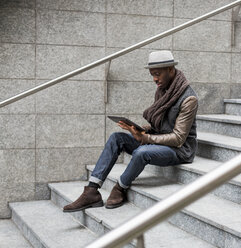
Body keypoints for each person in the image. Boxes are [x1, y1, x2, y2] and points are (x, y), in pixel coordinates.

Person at [63, 50, 198, 212]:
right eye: (152, 75)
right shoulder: (164, 90)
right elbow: (160, 126)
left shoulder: (189, 99)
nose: (155, 79)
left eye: (157, 74)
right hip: (160, 140)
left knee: (142, 152)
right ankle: (92, 190)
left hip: (179, 151)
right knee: (116, 138)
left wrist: (145, 137)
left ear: (170, 69)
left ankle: (120, 187)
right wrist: (138, 130)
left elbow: (178, 138)